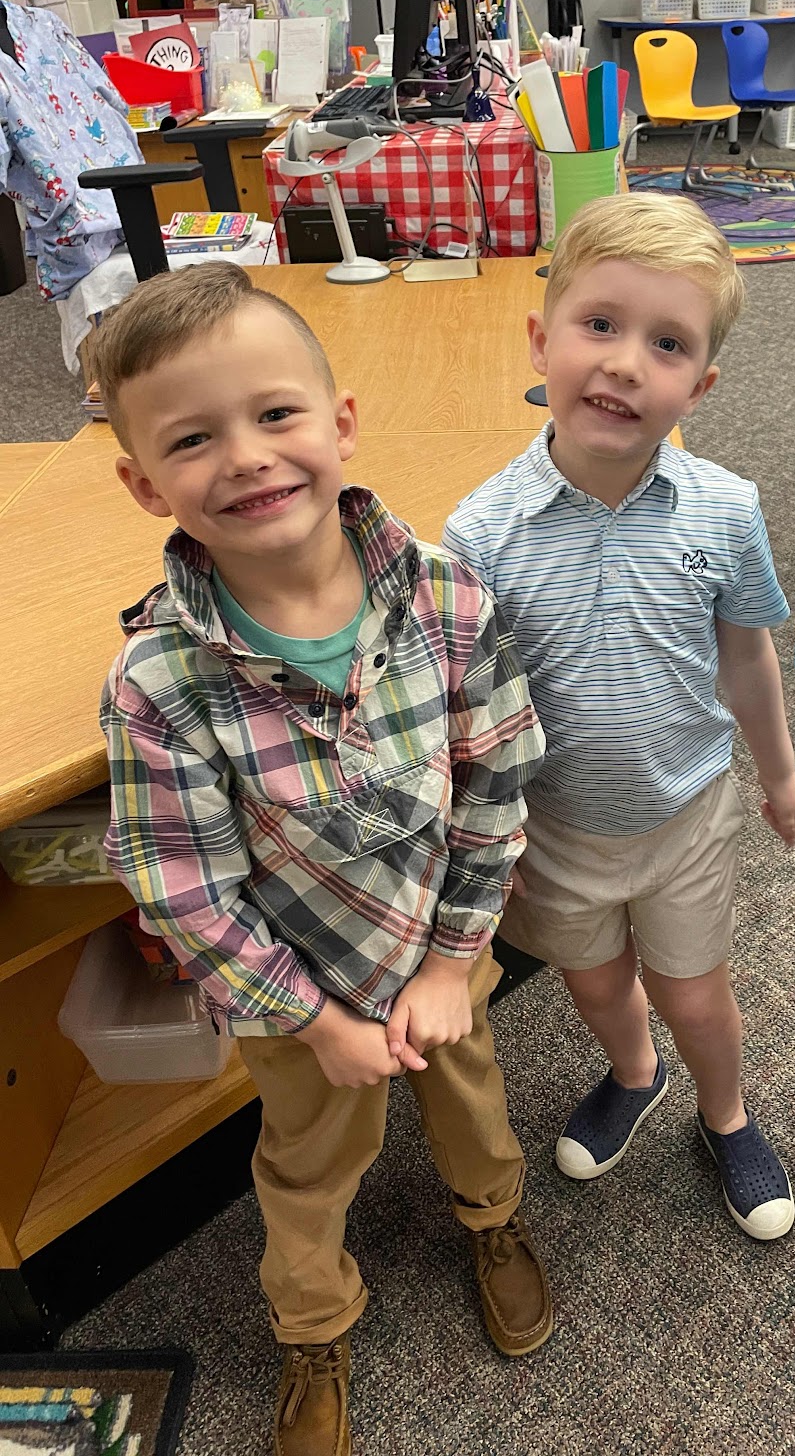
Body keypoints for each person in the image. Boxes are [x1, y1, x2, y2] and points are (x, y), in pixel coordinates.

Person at [95, 263, 553, 1456]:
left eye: (275, 414)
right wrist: (315, 1022)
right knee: (306, 1169)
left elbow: (497, 783)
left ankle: (492, 1218)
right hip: (295, 999)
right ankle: (312, 1326)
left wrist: (448, 963)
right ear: (144, 483)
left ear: (340, 422)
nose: (246, 457)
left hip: (443, 948)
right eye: (193, 438)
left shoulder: (445, 595)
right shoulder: (159, 681)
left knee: (476, 1107)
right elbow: (186, 893)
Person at [443, 193, 795, 1242]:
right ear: (540, 339)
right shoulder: (481, 532)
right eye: (599, 324)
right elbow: (470, 705)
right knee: (599, 985)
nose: (623, 363)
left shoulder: (725, 508)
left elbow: (747, 653)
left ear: (701, 384)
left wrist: (781, 774)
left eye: (667, 344)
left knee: (696, 995)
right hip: (554, 827)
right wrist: (481, 840)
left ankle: (725, 1113)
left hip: (685, 814)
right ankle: (635, 1072)